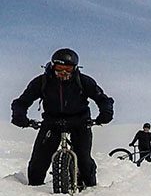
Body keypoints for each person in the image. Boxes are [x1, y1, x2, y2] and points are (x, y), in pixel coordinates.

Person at [10, 48, 114, 187]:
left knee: (83, 159)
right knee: (38, 161)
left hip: (80, 121)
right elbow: (21, 102)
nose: (63, 73)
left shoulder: (83, 81)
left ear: (75, 68)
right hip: (52, 122)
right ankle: (34, 192)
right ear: (52, 66)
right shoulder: (42, 82)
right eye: (59, 68)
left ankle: (91, 189)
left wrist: (105, 113)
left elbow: (103, 99)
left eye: (68, 69)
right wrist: (19, 115)